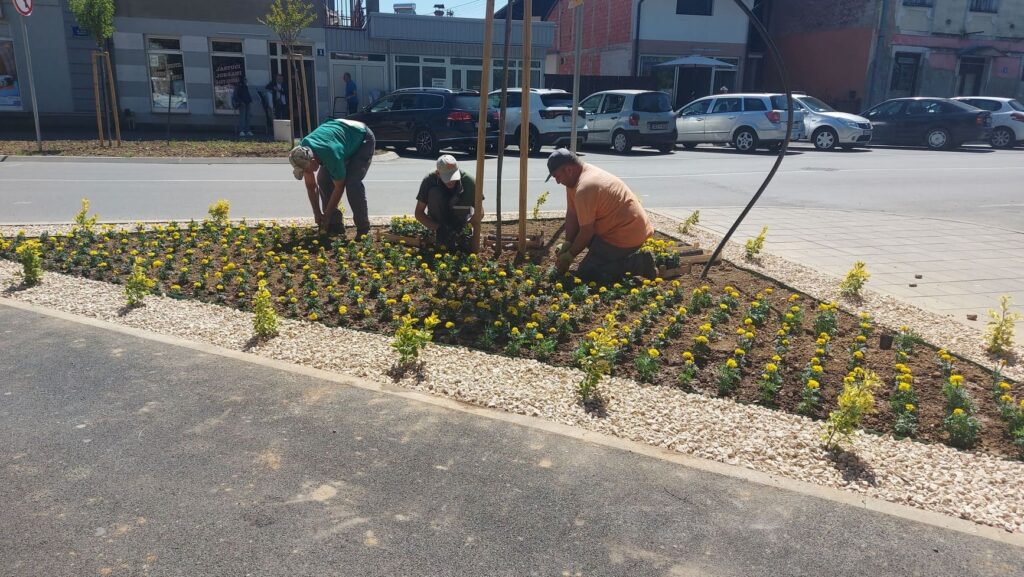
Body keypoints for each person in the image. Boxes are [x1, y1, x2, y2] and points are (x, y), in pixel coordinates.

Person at [545, 148, 656, 283]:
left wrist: (569, 256)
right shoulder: (575, 180)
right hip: (616, 228)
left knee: (588, 273)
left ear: (569, 170)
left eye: (557, 176)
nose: (557, 181)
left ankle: (639, 263)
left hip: (627, 235)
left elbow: (587, 231)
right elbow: (572, 213)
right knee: (586, 249)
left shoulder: (585, 187)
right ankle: (606, 256)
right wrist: (568, 243)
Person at [288, 118, 376, 238]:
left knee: (352, 184)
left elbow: (339, 187)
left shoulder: (331, 155)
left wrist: (327, 214)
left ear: (313, 160)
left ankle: (363, 229)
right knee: (323, 180)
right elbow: (311, 186)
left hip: (361, 137)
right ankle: (335, 225)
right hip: (338, 136)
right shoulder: (302, 152)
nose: (306, 173)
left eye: (306, 170)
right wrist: (317, 212)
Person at [414, 155, 482, 252]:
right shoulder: (429, 180)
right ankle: (440, 237)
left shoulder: (469, 181)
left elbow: (480, 212)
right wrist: (439, 229)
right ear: (438, 173)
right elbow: (418, 213)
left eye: (453, 176)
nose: (451, 181)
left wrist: (468, 225)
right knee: (435, 193)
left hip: (462, 223)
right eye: (447, 177)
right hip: (438, 224)